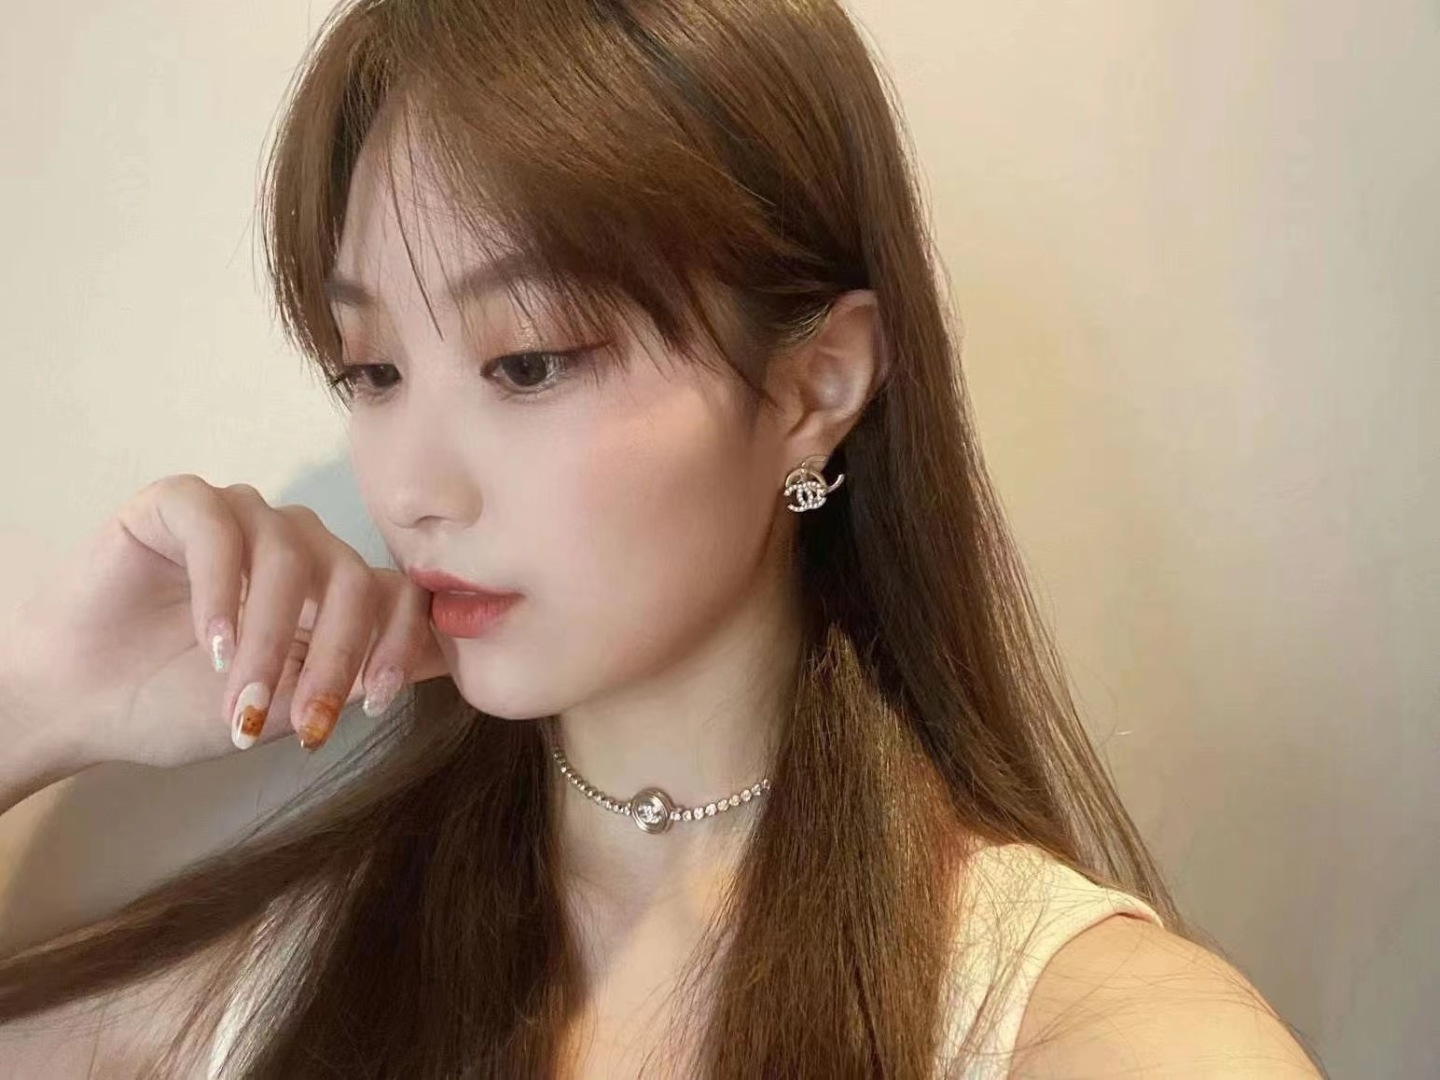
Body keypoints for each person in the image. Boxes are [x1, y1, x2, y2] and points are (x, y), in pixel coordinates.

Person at [0, 0, 1326, 1076]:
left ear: (814, 388)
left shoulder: (1092, 1033)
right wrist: (45, 696)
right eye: (373, 370)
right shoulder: (283, 986)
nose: (409, 490)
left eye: (527, 363)